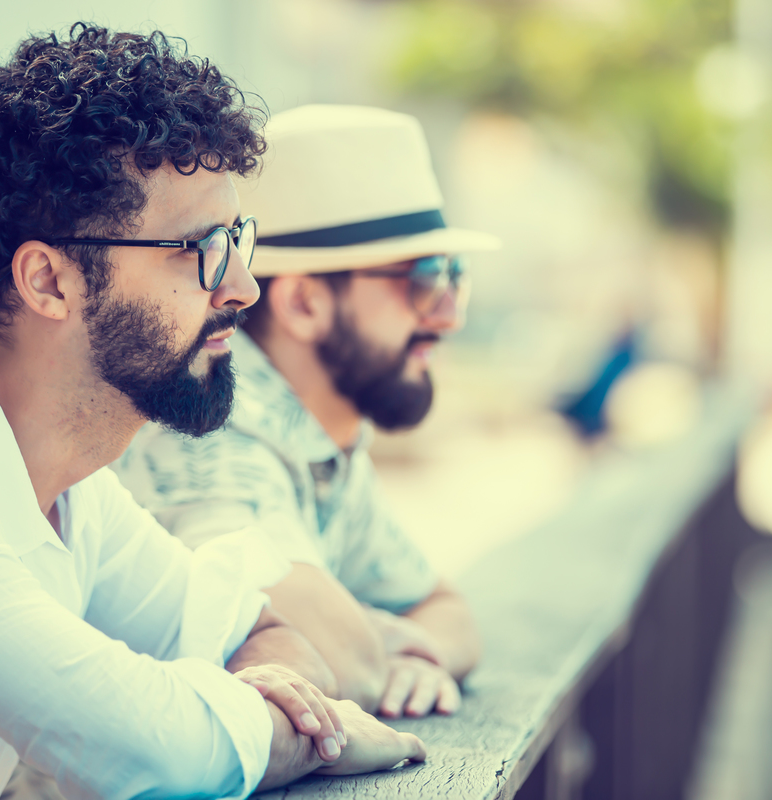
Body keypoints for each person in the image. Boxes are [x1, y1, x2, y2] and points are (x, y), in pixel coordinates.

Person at [0, 28, 423, 800]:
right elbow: (149, 750)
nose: (243, 288)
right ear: (49, 280)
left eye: (237, 240)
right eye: (199, 248)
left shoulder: (69, 485)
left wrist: (266, 700)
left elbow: (264, 635)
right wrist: (307, 731)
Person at [115, 104, 498, 719]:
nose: (448, 314)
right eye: (423, 277)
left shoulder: (321, 440)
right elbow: (328, 651)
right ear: (304, 303)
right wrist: (377, 651)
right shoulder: (213, 432)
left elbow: (448, 612)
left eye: (456, 274)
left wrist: (407, 656)